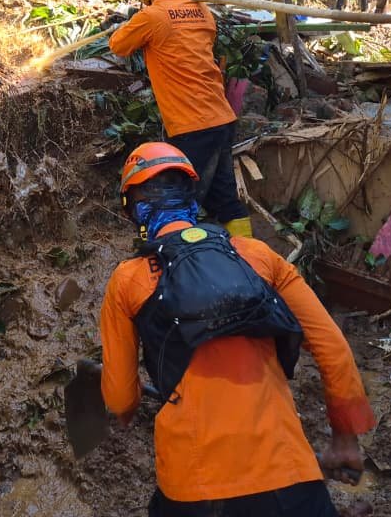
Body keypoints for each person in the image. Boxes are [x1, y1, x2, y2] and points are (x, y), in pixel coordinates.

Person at [100, 142, 375, 517]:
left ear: (135, 210)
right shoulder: (258, 255)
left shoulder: (128, 281)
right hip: (289, 477)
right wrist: (345, 438)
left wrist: (126, 411)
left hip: (194, 489)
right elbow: (332, 346)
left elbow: (119, 400)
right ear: (193, 199)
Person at [109, 0, 252, 236]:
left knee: (178, 206)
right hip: (221, 118)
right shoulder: (200, 11)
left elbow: (118, 46)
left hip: (192, 126)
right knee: (226, 201)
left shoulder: (152, 16)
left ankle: (180, 268)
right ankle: (249, 263)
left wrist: (130, 20)